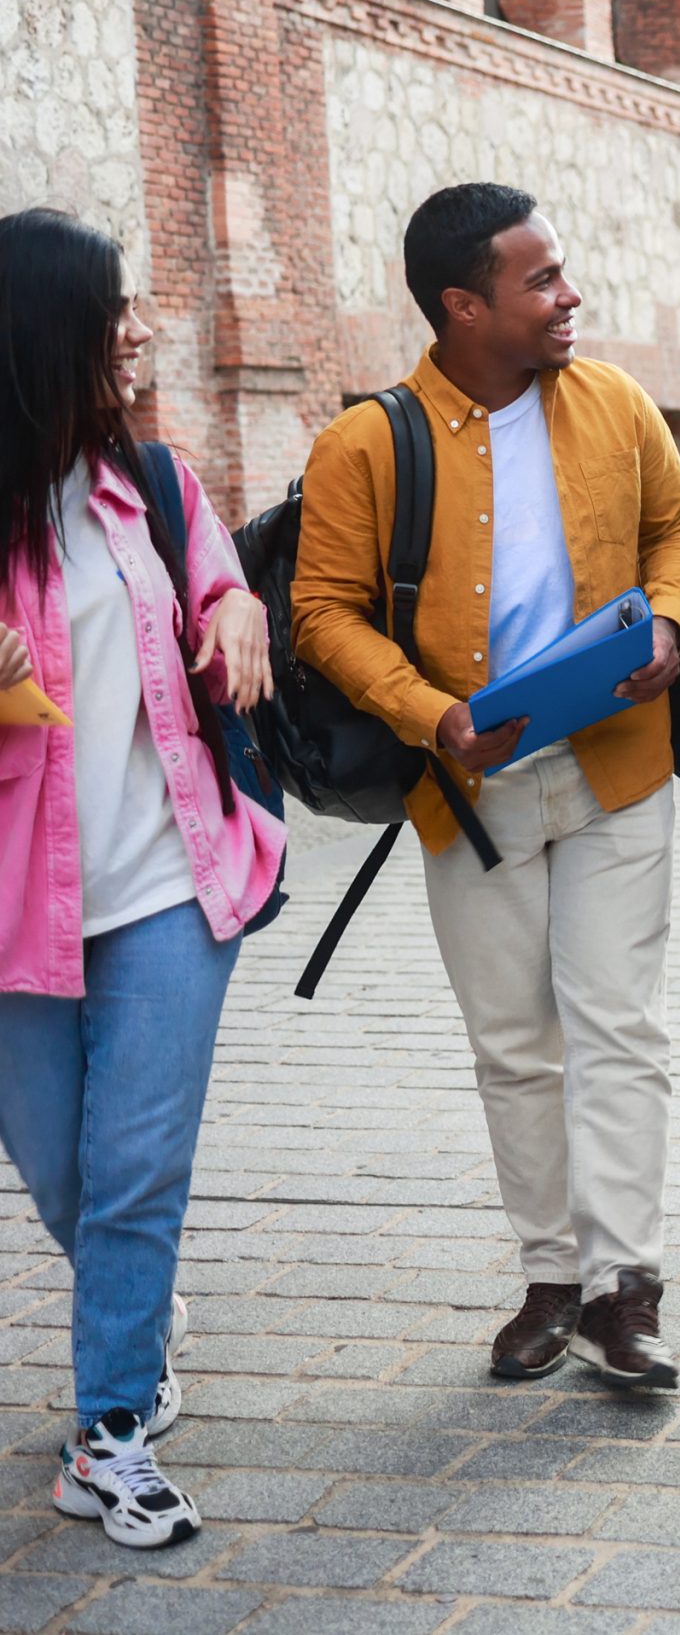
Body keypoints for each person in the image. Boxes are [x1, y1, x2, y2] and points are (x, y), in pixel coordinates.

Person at [294, 183, 680, 1389]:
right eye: (541, 280)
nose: (569, 296)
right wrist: (432, 714)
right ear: (465, 305)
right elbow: (320, 612)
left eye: (562, 274)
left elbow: (676, 529)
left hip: (618, 768)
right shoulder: (368, 442)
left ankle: (628, 1287)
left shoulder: (617, 403)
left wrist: (670, 620)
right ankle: (552, 1276)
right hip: (466, 791)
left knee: (619, 1027)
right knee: (516, 1044)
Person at [0, 208, 285, 1546]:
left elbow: (221, 583)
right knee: (62, 1175)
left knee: (130, 1166)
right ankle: (136, 1299)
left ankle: (105, 1431)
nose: (134, 329)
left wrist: (236, 608)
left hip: (172, 879)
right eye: (110, 307)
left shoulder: (154, 484)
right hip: (15, 917)